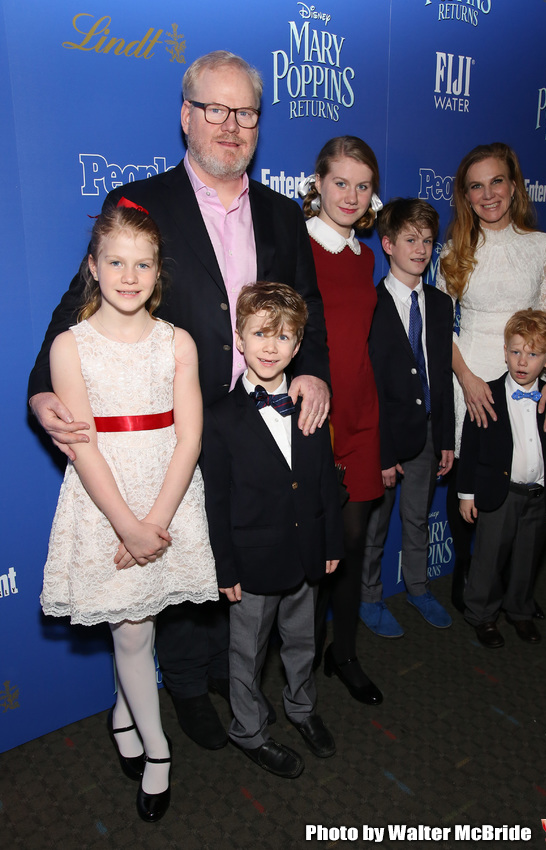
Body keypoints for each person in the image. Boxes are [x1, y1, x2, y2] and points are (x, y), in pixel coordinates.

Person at [28, 51, 330, 750]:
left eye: (245, 113)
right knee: (178, 573)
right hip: (174, 438)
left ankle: (233, 677)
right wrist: (42, 393)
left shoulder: (285, 216)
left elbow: (305, 307)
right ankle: (188, 690)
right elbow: (74, 310)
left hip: (257, 426)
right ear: (186, 117)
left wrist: (312, 371)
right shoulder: (140, 204)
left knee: (236, 556)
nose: (231, 126)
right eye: (215, 110)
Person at [40, 203, 218, 821]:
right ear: (93, 266)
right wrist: (127, 525)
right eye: (115, 261)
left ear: (157, 272)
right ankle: (159, 751)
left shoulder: (179, 342)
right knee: (133, 628)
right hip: (105, 499)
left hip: (168, 496)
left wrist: (157, 522)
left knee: (138, 623)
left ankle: (124, 712)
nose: (129, 274)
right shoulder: (70, 346)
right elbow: (82, 447)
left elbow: (190, 436)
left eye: (142, 263)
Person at [202, 282, 343, 779]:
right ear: (239, 338)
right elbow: (214, 499)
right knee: (247, 653)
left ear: (298, 345)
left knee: (304, 641)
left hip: (307, 554)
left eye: (283, 337)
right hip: (252, 562)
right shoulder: (219, 417)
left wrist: (330, 541)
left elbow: (325, 478)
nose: (270, 345)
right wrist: (225, 565)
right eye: (260, 333)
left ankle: (301, 709)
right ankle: (250, 731)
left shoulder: (311, 403)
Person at [436, 142, 546, 612]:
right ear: (465, 196)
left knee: (524, 478)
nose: (488, 194)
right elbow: (438, 326)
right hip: (469, 372)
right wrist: (468, 378)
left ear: (513, 186)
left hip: (530, 375)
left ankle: (512, 585)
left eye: (496, 182)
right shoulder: (454, 250)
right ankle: (466, 576)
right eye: (476, 186)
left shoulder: (541, 246)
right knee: (471, 475)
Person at [300, 136, 384, 705]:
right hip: (314, 416)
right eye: (340, 183)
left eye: (363, 185)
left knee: (354, 543)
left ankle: (344, 652)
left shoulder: (367, 256)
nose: (351, 195)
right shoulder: (296, 246)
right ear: (318, 183)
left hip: (363, 414)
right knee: (313, 547)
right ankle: (302, 658)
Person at [362, 199, 454, 637]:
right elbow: (369, 385)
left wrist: (448, 438)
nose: (420, 249)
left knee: (418, 516)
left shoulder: (438, 304)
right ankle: (369, 597)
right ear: (388, 244)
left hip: (430, 431)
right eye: (410, 239)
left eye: (428, 240)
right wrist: (380, 450)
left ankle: (418, 587)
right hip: (385, 437)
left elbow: (442, 374)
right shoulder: (371, 304)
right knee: (376, 524)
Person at [458, 309, 546, 648]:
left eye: (533, 354)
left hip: (537, 496)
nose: (523, 361)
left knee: (527, 558)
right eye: (516, 351)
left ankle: (519, 611)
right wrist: (466, 494)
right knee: (489, 559)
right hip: (498, 494)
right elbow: (472, 447)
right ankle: (482, 616)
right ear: (504, 352)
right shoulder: (487, 395)